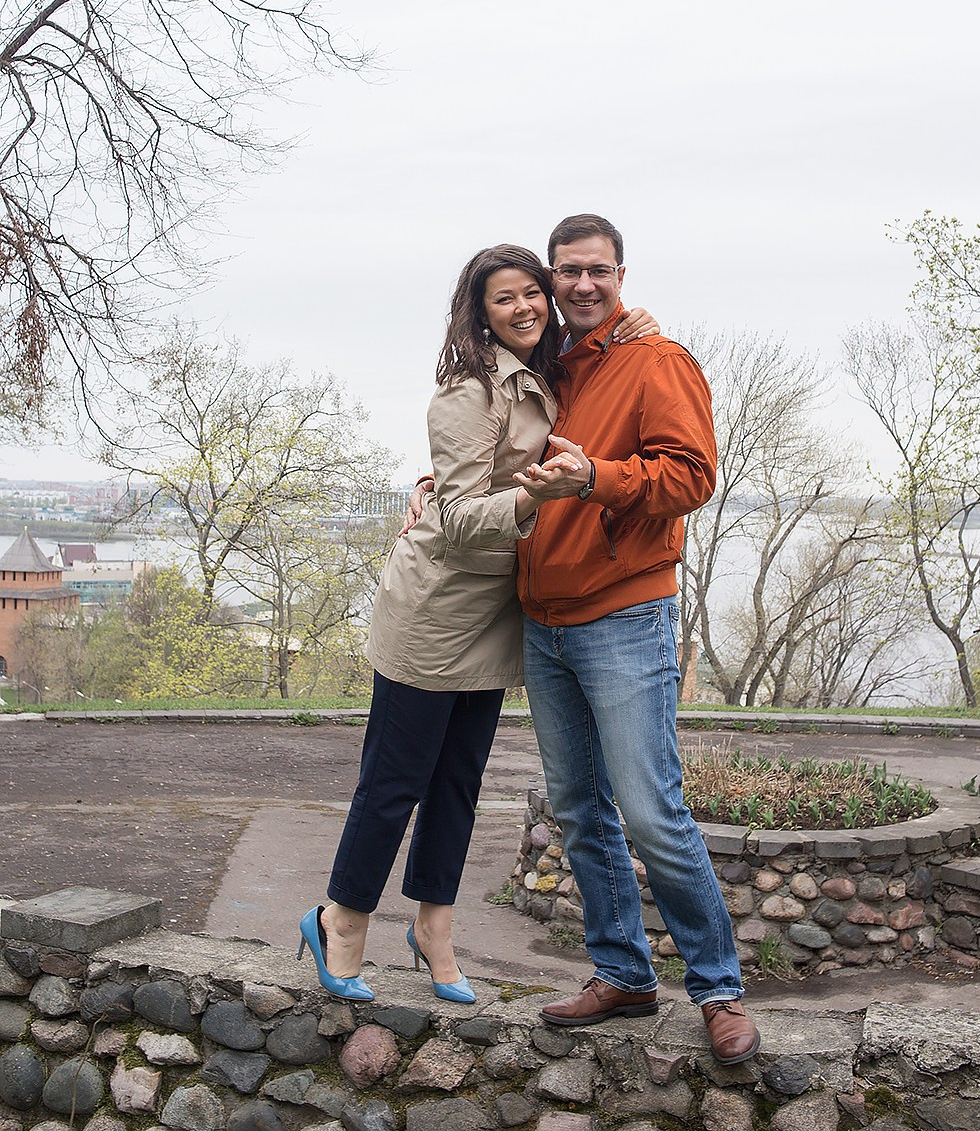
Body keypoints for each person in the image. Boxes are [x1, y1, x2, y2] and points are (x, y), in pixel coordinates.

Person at [297, 243, 656, 1004]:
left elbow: (481, 470)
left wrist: (637, 323)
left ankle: (434, 928)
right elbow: (460, 520)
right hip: (436, 610)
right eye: (505, 298)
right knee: (393, 783)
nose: (525, 307)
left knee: (457, 782)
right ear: (479, 311)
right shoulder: (468, 390)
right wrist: (540, 497)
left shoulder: (553, 370)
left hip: (496, 611)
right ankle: (339, 922)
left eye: (534, 292)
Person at [510, 213, 760, 1064]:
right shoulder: (544, 369)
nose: (583, 285)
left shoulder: (658, 360)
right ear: (551, 279)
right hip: (543, 625)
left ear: (621, 274)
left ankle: (719, 989)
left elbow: (692, 476)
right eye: (567, 272)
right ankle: (621, 974)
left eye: (598, 271)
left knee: (653, 811)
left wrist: (596, 479)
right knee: (581, 812)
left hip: (623, 616)